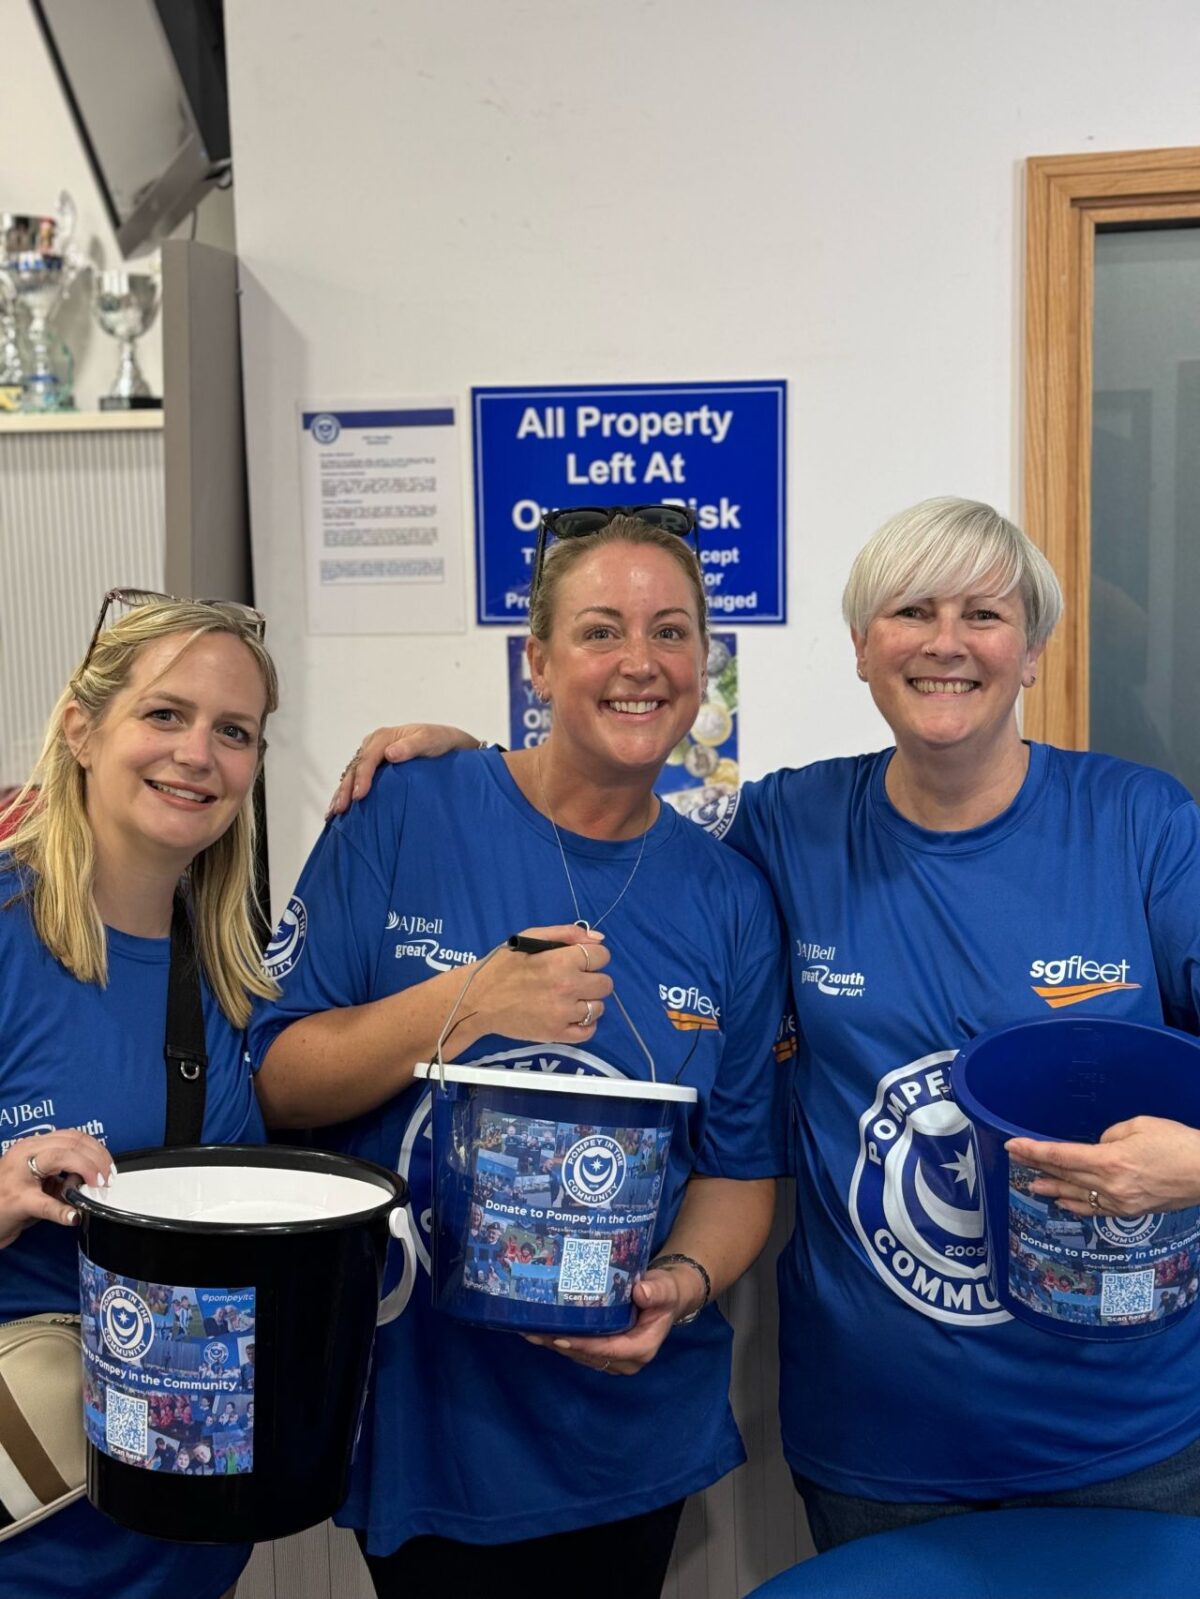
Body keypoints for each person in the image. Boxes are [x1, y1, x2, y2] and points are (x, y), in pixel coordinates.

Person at [340, 496, 1200, 1551]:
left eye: (983, 614)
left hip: (1131, 1437)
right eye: (910, 611)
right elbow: (617, 832)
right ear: (861, 648)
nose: (944, 642)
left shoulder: (1141, 825)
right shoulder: (787, 828)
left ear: (1031, 651)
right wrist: (471, 779)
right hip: (882, 1449)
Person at [250, 509, 791, 1597]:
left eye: (673, 632)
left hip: (621, 1429)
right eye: (601, 630)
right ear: (536, 661)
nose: (640, 661)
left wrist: (678, 1288)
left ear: (704, 667)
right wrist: (470, 1001)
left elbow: (738, 1167)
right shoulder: (406, 808)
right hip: (424, 1410)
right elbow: (281, 1080)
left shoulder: (728, 892)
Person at [0, 592, 278, 1599]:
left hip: (182, 1548)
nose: (198, 753)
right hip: (29, 1546)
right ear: (81, 727)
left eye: (233, 731)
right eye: (165, 715)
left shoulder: (235, 975)